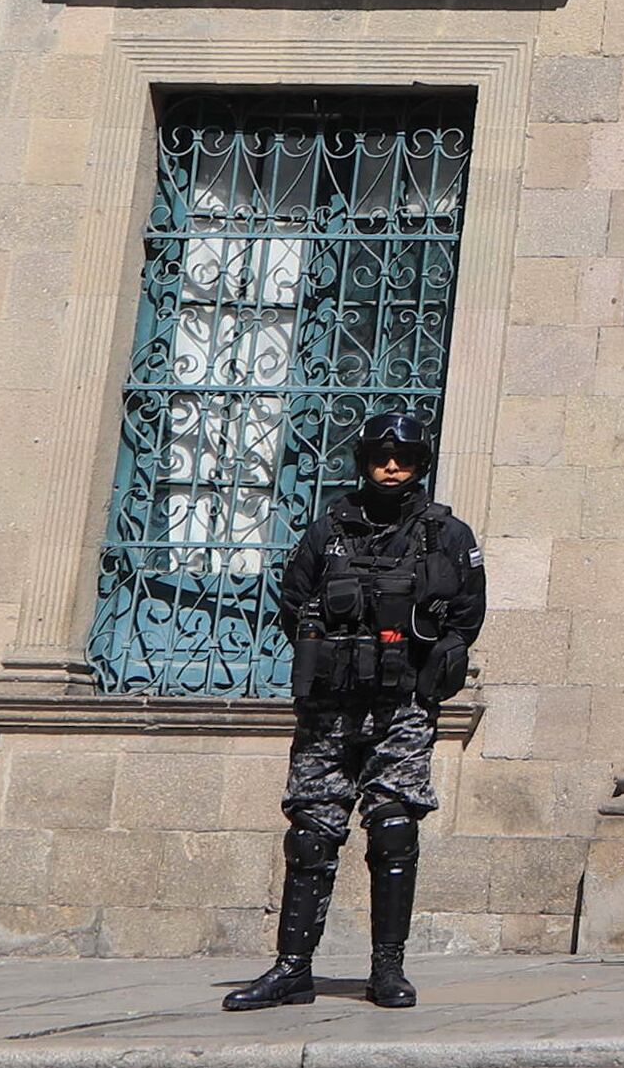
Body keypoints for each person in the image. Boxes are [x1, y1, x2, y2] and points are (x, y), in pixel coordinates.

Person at [222, 412, 484, 1012]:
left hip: (402, 706)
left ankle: (387, 969)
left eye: (406, 459)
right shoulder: (328, 532)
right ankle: (293, 971)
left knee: (393, 828)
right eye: (381, 457)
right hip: (330, 707)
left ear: (421, 465)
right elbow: (293, 603)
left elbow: (468, 615)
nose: (392, 468)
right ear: (364, 460)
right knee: (312, 834)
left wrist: (417, 656)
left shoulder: (447, 535)